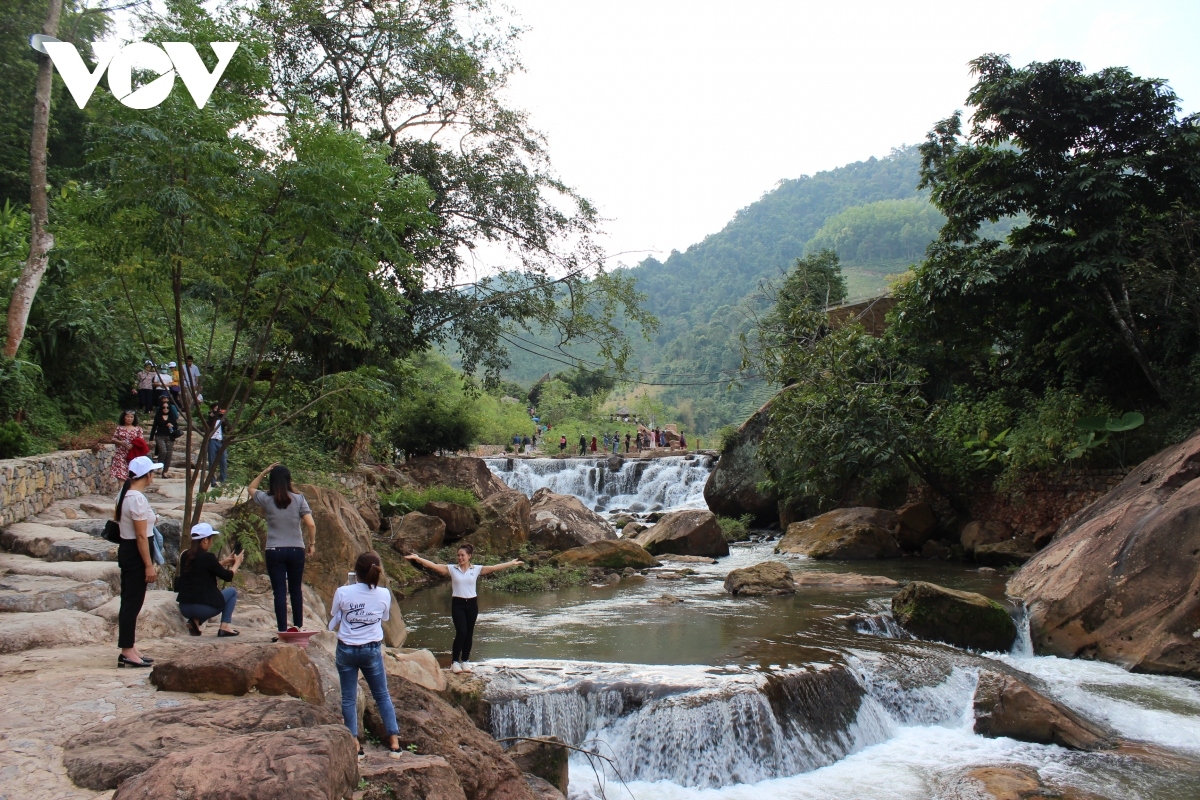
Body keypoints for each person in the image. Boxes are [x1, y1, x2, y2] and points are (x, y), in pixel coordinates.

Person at [328, 551, 403, 760]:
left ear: (357, 572)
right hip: (371, 650)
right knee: (381, 695)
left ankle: (354, 744)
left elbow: (334, 615)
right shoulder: (384, 594)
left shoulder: (343, 592)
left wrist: (346, 590)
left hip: (346, 649)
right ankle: (395, 743)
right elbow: (385, 617)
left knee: (349, 698)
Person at [405, 544, 523, 674]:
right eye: (458, 555)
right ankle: (455, 662)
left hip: (472, 604)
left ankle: (465, 661)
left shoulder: (476, 569)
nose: (460, 558)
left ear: (469, 556)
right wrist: (418, 558)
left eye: (462, 555)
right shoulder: (452, 569)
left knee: (469, 633)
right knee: (461, 632)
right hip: (458, 604)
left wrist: (511, 563)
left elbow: (494, 568)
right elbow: (434, 565)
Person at [248, 463, 316, 632]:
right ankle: (298, 627)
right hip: (296, 549)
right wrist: (312, 544)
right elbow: (311, 524)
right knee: (295, 590)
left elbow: (251, 488)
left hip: (274, 550)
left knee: (279, 592)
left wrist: (264, 471)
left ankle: (282, 629)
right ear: (289, 480)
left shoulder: (266, 499)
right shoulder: (299, 499)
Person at [115, 455, 163, 667]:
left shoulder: (124, 495)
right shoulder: (136, 498)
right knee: (132, 602)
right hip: (136, 553)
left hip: (128, 551)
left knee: (131, 601)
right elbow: (141, 535)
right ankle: (126, 650)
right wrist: (148, 564)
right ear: (148, 475)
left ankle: (130, 647)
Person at [175, 523, 243, 636]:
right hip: (203, 609)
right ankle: (224, 627)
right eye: (211, 539)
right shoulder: (208, 557)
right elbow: (228, 576)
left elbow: (201, 569)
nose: (211, 542)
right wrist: (237, 563)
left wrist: (222, 562)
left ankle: (195, 622)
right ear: (205, 540)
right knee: (232, 592)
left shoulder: (184, 555)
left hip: (185, 607)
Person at [110, 411, 145, 483]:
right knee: (120, 473)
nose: (129, 418)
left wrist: (132, 445)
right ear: (124, 418)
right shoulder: (119, 428)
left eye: (131, 417)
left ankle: (129, 491)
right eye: (127, 417)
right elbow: (113, 438)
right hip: (120, 453)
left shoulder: (138, 429)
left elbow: (141, 440)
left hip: (133, 454)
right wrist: (120, 442)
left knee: (132, 474)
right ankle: (122, 492)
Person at [149, 395, 178, 478]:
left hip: (170, 437)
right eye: (164, 407)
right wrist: (151, 439)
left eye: (167, 407)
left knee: (169, 454)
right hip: (160, 436)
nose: (165, 409)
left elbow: (176, 427)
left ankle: (165, 471)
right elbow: (154, 427)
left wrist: (172, 425)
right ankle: (160, 466)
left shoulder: (172, 417)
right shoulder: (158, 417)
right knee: (163, 451)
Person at [207, 405, 228, 486]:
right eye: (216, 409)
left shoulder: (223, 418)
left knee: (223, 461)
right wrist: (212, 417)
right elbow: (207, 425)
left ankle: (223, 481)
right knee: (212, 461)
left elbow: (228, 428)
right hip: (213, 440)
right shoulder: (211, 418)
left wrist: (223, 419)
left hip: (221, 441)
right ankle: (212, 481)